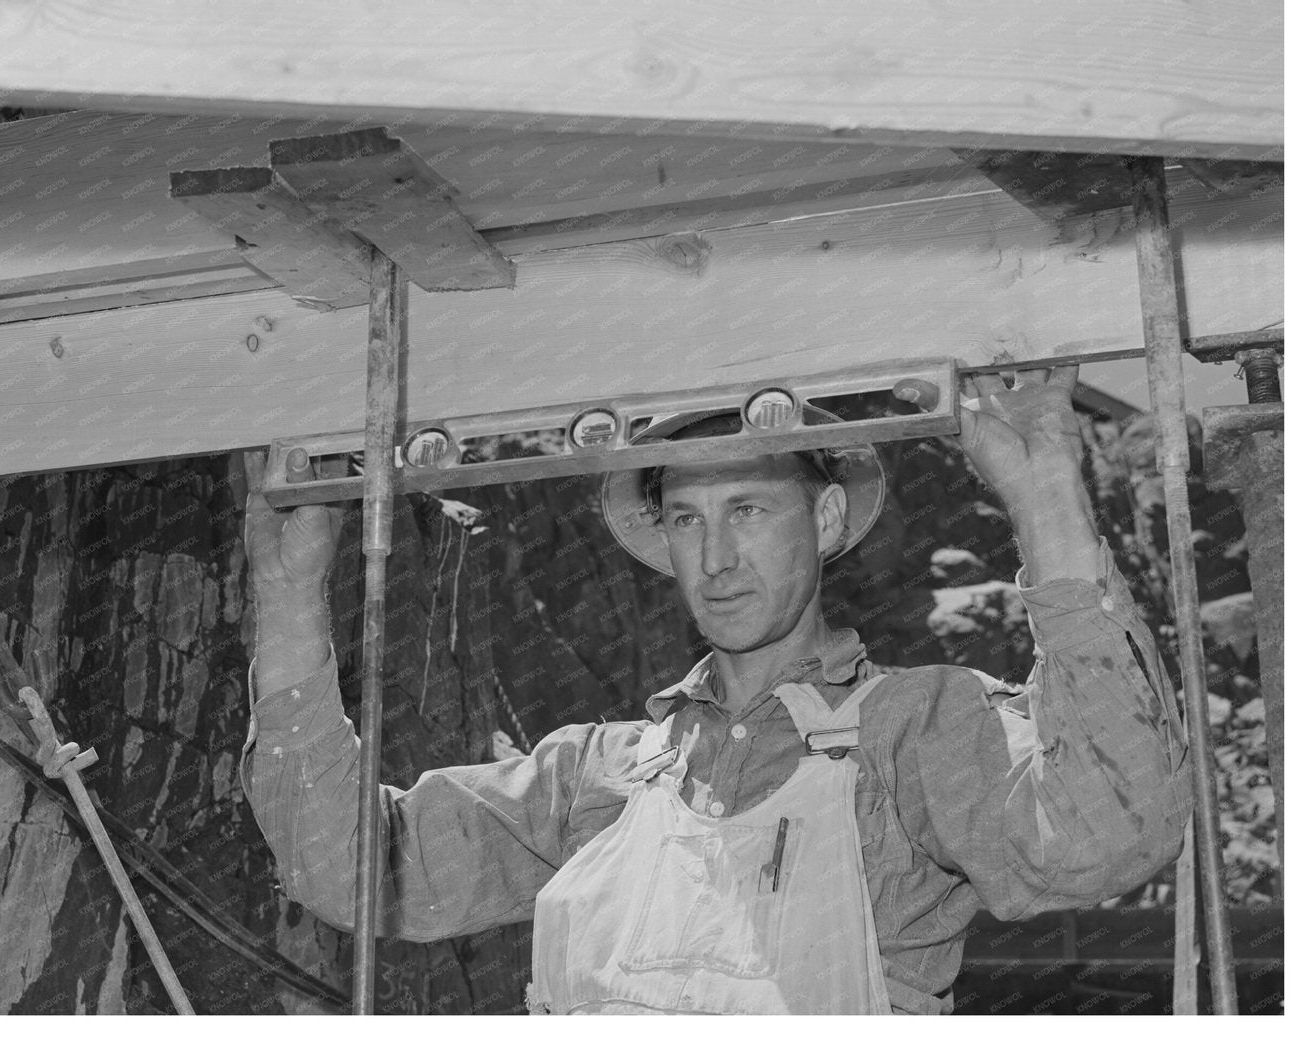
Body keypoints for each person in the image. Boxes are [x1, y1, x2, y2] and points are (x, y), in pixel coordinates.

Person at [240, 366, 1190, 1015]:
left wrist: (1046, 497)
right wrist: (286, 593)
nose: (718, 558)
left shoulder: (916, 727)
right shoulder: (598, 775)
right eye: (688, 519)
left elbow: (1102, 836)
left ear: (822, 517)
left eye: (748, 509)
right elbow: (348, 870)